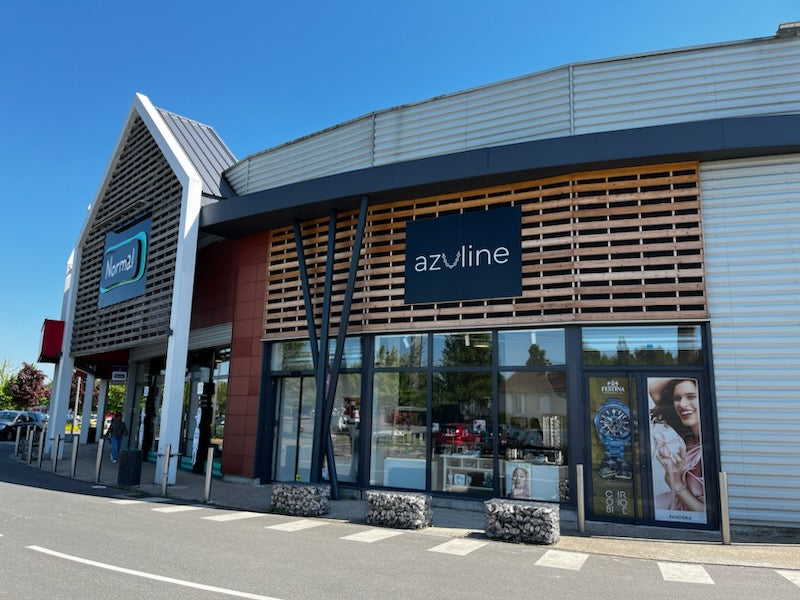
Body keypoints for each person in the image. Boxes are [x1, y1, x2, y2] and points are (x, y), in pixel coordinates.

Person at [649, 378, 704, 513]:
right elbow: (653, 389)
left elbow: (705, 512)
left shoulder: (709, 449)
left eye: (691, 397)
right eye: (677, 398)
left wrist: (676, 483)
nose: (683, 404)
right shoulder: (686, 436)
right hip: (674, 507)